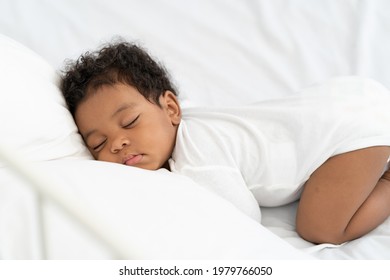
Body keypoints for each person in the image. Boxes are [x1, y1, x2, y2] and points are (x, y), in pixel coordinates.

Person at [61, 41, 390, 245]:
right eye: (98, 143)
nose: (118, 142)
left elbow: (241, 218)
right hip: (347, 99)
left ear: (171, 108)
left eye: (130, 122)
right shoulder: (188, 120)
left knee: (320, 228)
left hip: (348, 135)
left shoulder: (197, 155)